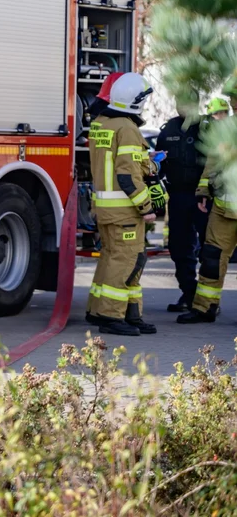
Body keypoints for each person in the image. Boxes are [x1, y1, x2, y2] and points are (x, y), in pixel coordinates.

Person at [86, 72, 163, 336]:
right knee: (125, 262)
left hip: (106, 209)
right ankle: (111, 317)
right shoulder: (127, 128)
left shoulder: (101, 123)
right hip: (125, 210)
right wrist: (147, 207)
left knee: (113, 259)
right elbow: (127, 175)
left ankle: (114, 312)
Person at [180, 93, 237, 324]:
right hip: (223, 209)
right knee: (212, 258)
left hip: (224, 207)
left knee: (212, 258)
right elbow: (211, 162)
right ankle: (204, 308)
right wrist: (203, 191)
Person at [156, 106, 209, 312]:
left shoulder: (206, 128)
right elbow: (160, 163)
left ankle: (206, 301)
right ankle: (189, 293)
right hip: (177, 195)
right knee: (179, 247)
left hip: (203, 197)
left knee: (209, 250)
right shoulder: (169, 129)